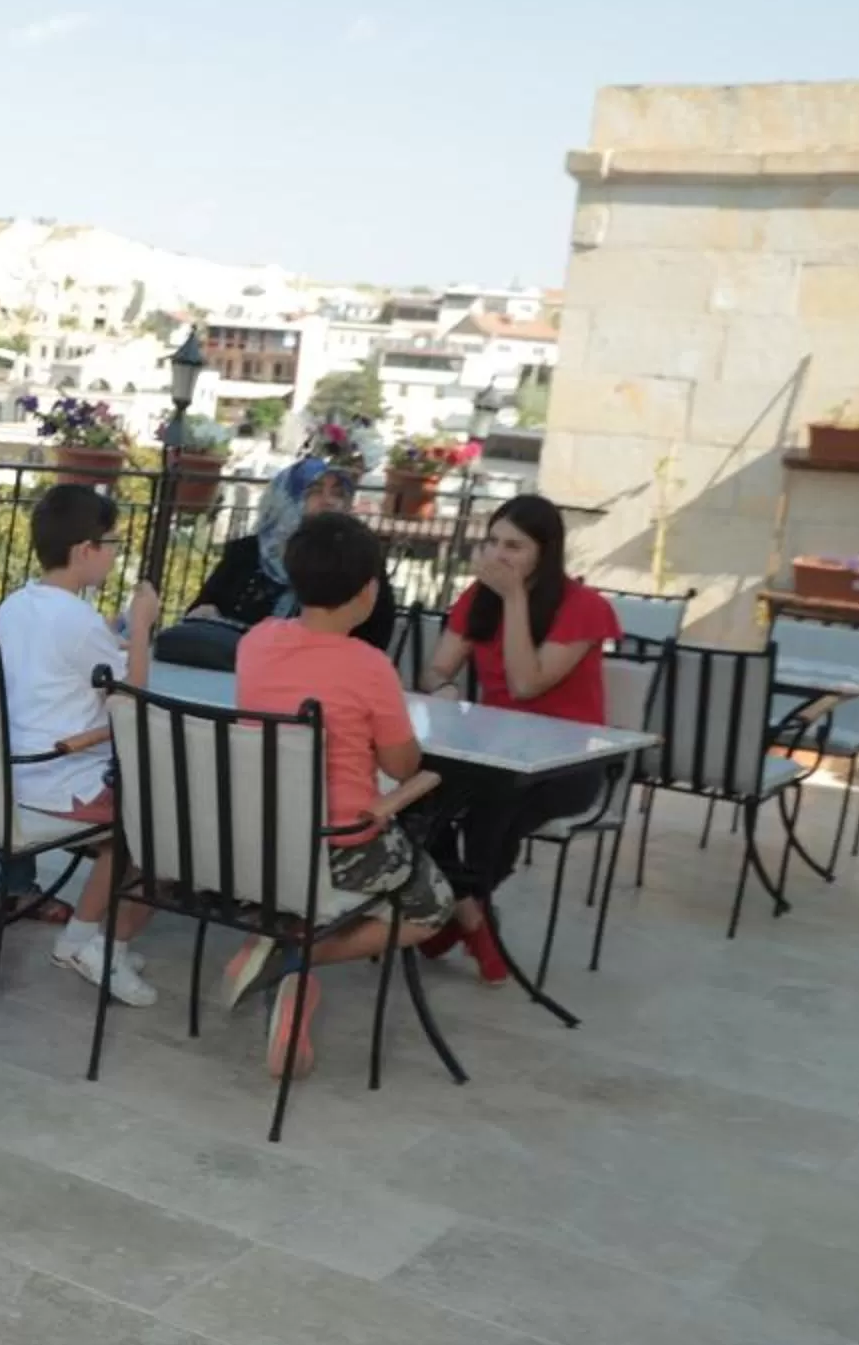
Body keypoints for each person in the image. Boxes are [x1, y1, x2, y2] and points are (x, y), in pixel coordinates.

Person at [214, 512, 451, 1075]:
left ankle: (280, 947)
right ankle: (293, 956)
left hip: (257, 842)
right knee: (433, 904)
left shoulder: (257, 642)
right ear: (369, 591)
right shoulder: (370, 666)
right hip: (338, 848)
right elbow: (401, 763)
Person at [413, 494, 622, 981]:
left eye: (515, 545)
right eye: (493, 542)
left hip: (566, 761)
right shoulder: (477, 598)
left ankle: (460, 914)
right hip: (493, 748)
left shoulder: (583, 607)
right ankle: (471, 917)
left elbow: (527, 684)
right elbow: (436, 667)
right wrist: (443, 687)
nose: (499, 555)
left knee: (492, 806)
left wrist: (513, 600)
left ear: (544, 553)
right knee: (414, 793)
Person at [0, 482, 161, 1004]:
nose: (114, 556)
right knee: (152, 827)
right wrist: (141, 628)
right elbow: (132, 696)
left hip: (10, 775)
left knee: (132, 814)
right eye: (111, 545)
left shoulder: (15, 605)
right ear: (84, 550)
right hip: (58, 783)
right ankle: (82, 941)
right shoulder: (80, 619)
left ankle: (87, 937)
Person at [174, 457, 397, 652]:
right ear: (285, 499)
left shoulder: (360, 561)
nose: (329, 501)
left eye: (338, 494)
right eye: (315, 491)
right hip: (231, 671)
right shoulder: (247, 553)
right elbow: (200, 611)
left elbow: (376, 637)